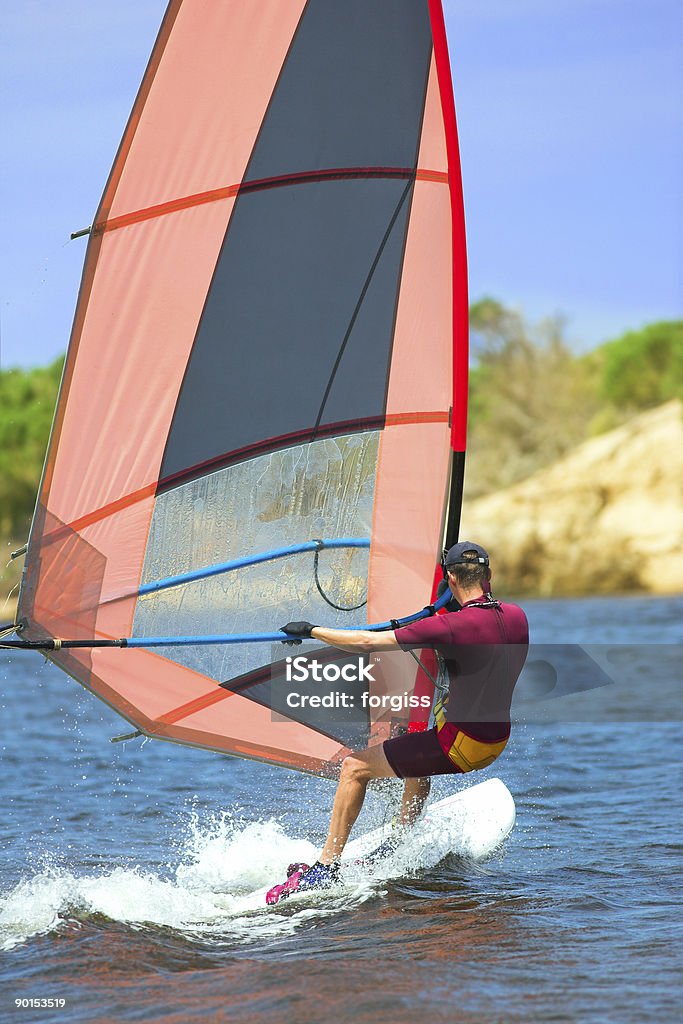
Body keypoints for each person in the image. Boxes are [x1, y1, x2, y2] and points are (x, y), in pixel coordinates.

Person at [273, 541, 529, 896]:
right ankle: (403, 835)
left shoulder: (451, 627)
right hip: (495, 742)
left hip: (461, 746)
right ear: (489, 575)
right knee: (417, 741)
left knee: (354, 768)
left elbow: (366, 642)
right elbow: (484, 647)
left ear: (450, 578)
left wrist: (311, 631)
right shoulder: (517, 616)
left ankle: (325, 868)